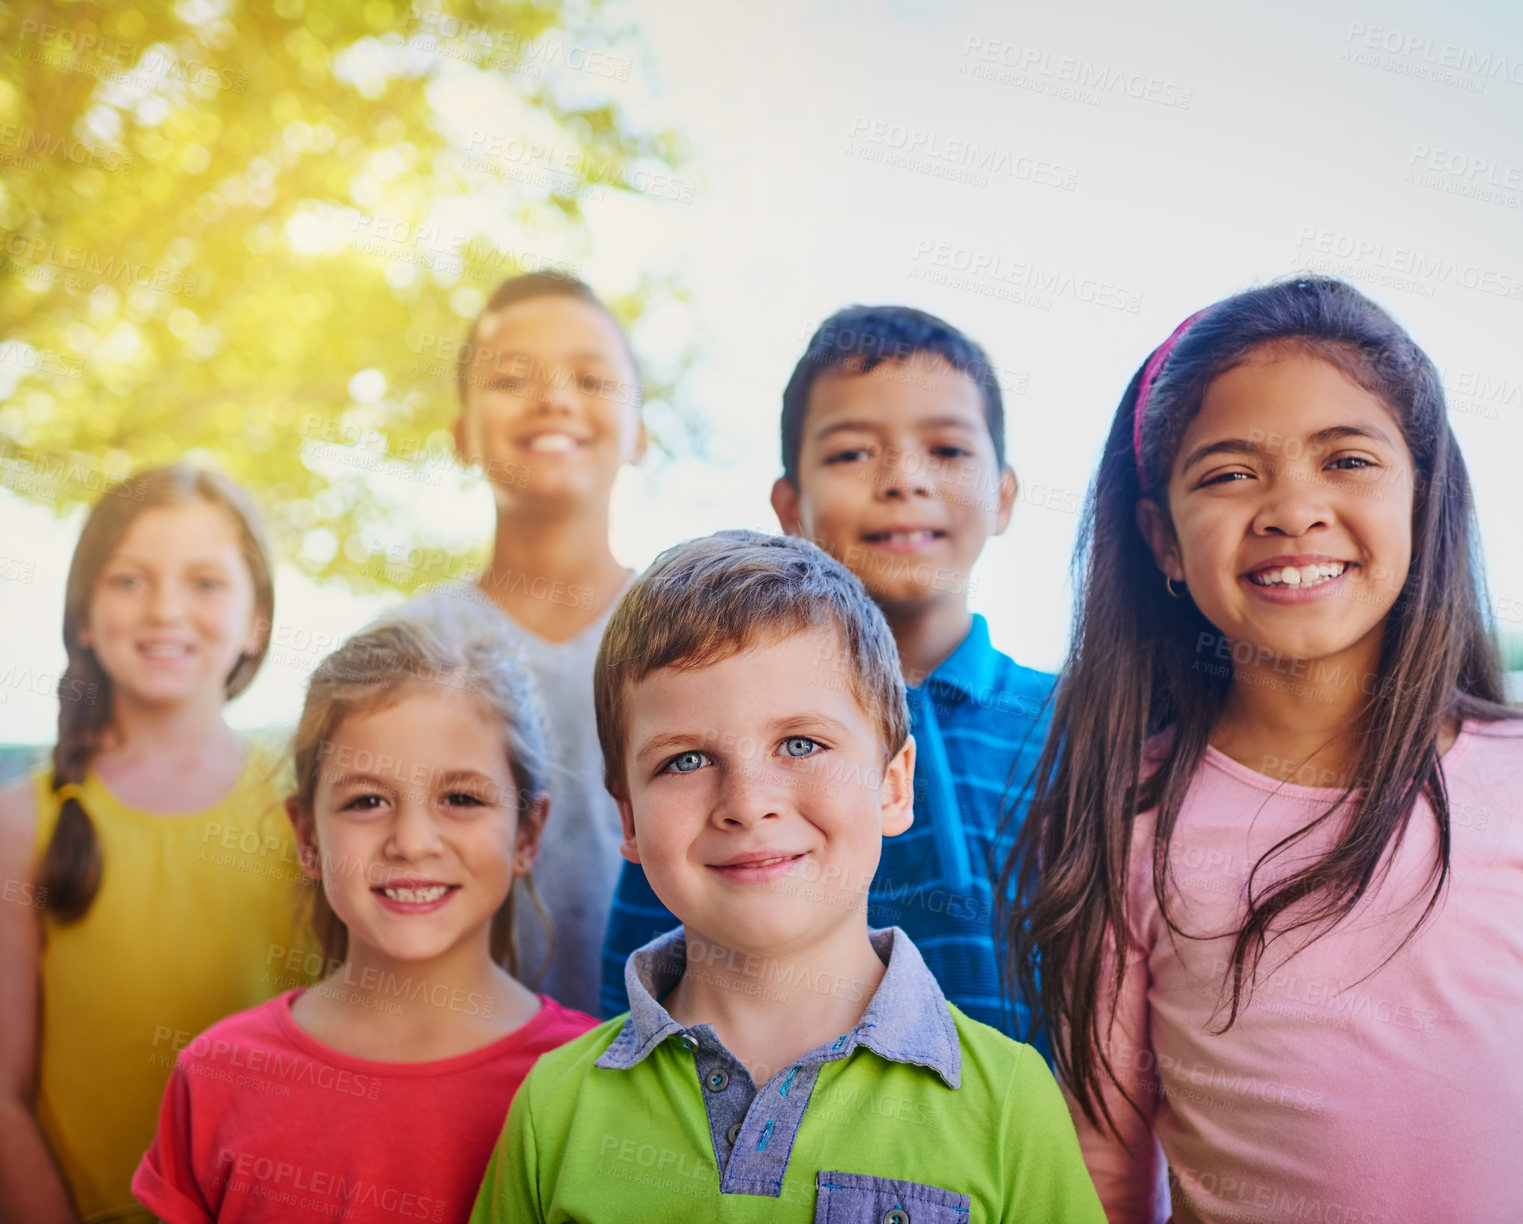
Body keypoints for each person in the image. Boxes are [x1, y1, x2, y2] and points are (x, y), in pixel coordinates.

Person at [1009, 276, 1523, 1223]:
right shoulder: (1125, 813)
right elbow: (1106, 1168)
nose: (1292, 509)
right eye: (1226, 473)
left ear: (1424, 500)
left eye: (1346, 459)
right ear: (1160, 541)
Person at [472, 530, 1105, 1221]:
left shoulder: (1011, 1099)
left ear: (894, 787)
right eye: (685, 760)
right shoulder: (553, 1108)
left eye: (800, 744)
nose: (746, 802)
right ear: (628, 820)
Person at [601, 305, 1052, 1044]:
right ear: (790, 507)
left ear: (1002, 495)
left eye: (944, 448)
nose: (903, 479)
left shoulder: (1072, 727)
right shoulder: (697, 770)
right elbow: (631, 1015)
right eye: (850, 454)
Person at [131, 619, 597, 1222]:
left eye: (461, 799)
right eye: (366, 801)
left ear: (527, 834)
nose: (412, 842)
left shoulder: (592, 1085)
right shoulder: (217, 1074)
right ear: (307, 836)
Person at [0, 464, 305, 1224]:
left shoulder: (309, 805)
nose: (165, 609)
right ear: (83, 617)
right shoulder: (21, 823)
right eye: (129, 580)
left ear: (257, 619)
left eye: (205, 583)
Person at [398, 270, 647, 1016]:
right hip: (459, 1076)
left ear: (639, 431)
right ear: (461, 436)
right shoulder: (403, 654)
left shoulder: (703, 635)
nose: (555, 399)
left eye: (591, 378)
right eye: (512, 377)